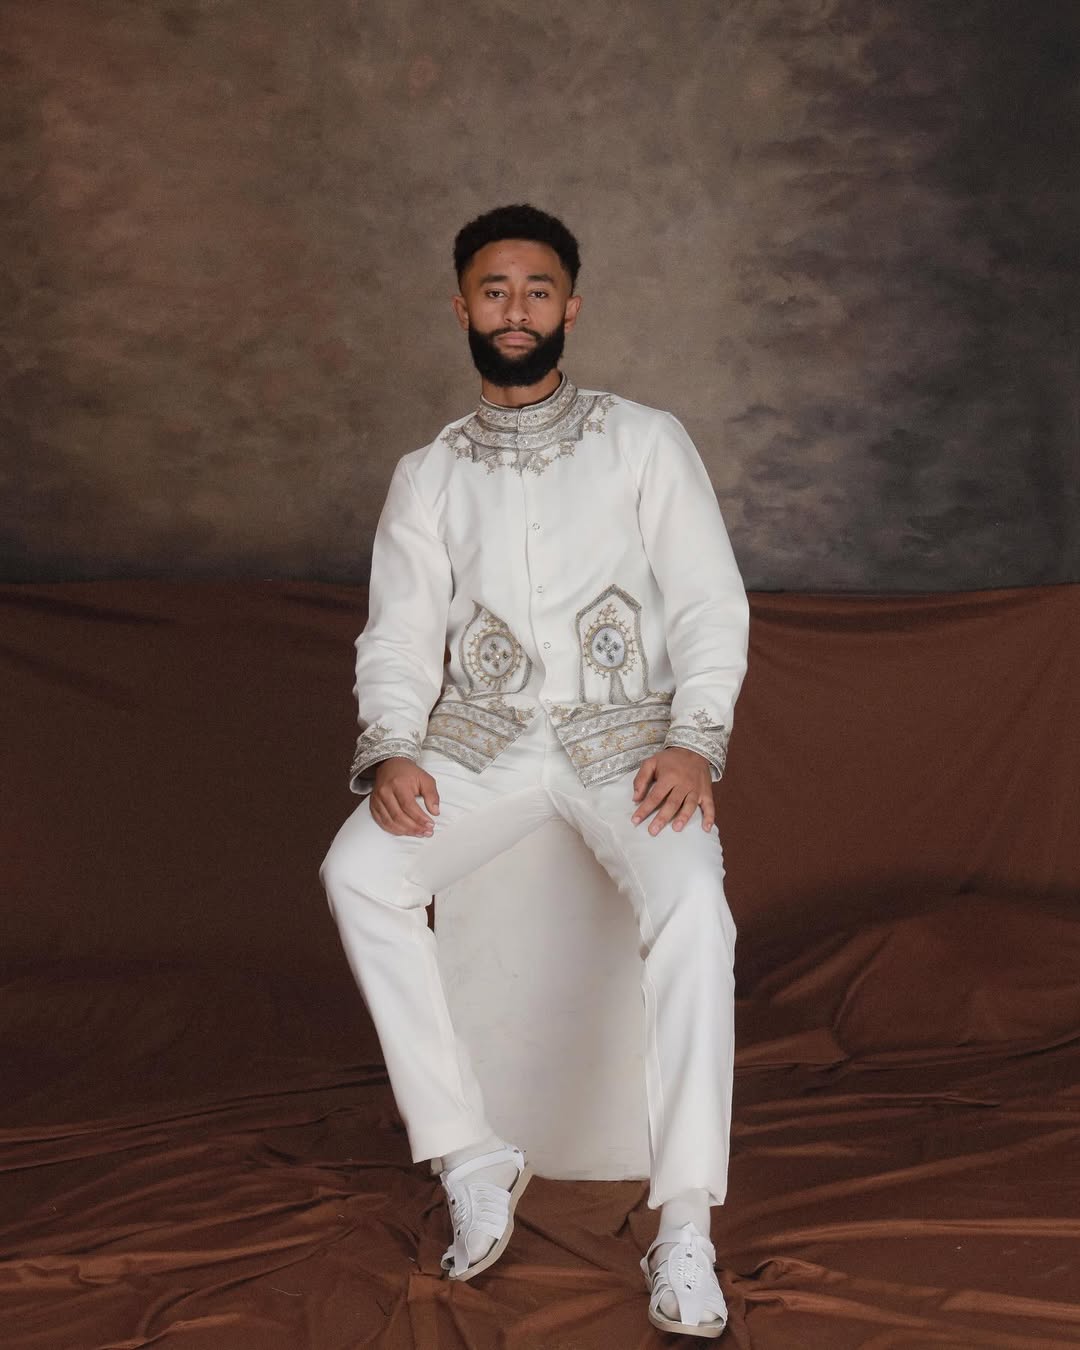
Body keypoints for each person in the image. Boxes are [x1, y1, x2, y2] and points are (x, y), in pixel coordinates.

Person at [319, 203, 748, 1338]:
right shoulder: (428, 474)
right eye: (495, 291)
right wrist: (392, 747)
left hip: (629, 747)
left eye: (538, 290)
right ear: (462, 308)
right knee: (358, 873)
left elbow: (710, 602)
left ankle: (688, 1225)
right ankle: (470, 1155)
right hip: (482, 744)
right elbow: (399, 635)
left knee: (697, 912)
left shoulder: (645, 439)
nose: (518, 311)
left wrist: (694, 738)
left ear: (573, 305)